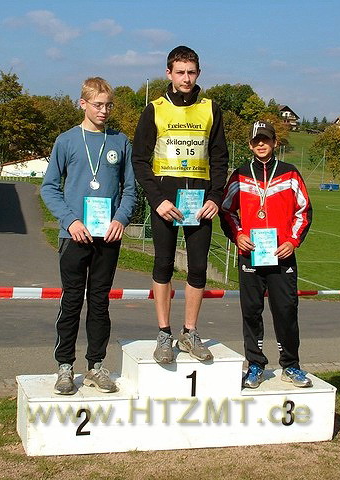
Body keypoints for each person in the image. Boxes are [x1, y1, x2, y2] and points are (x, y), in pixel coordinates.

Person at [132, 46, 229, 364]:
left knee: (198, 268)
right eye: (180, 72)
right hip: (165, 202)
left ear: (198, 73)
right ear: (169, 73)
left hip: (200, 203)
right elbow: (139, 160)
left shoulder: (211, 109)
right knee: (163, 265)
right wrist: (157, 200)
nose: (186, 78)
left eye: (191, 72)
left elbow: (219, 158)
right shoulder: (155, 109)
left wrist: (215, 197)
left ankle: (190, 332)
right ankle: (164, 333)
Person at [41, 77, 136, 395]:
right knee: (71, 302)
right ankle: (64, 367)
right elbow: (49, 188)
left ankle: (96, 365)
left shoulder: (120, 141)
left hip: (107, 237)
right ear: (82, 104)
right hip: (74, 237)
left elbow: (131, 190)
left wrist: (120, 218)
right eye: (98, 105)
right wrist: (70, 221)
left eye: (109, 105)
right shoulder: (66, 140)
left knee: (99, 302)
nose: (104, 110)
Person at [220, 121, 313, 388]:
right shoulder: (240, 174)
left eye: (265, 139)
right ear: (250, 145)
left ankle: (291, 365)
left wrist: (292, 241)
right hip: (251, 255)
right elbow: (226, 211)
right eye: (256, 141)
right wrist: (238, 235)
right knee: (251, 311)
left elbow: (304, 211)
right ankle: (255, 365)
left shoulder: (289, 173)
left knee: (286, 310)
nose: (261, 144)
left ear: (274, 143)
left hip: (281, 254)